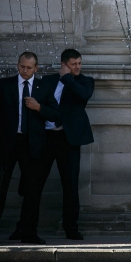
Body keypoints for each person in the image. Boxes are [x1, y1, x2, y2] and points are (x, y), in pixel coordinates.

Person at [0, 52, 60, 246]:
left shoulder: (43, 87)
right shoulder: (4, 86)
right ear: (17, 65)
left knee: (33, 190)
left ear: (36, 68)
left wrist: (39, 108)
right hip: (6, 144)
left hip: (32, 145)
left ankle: (29, 232)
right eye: (22, 67)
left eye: (29, 67)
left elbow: (56, 114)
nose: (25, 71)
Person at [39, 49, 94, 241]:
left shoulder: (84, 81)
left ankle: (71, 227)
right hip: (46, 138)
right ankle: (25, 227)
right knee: (35, 182)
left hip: (69, 140)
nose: (78, 67)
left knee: (70, 185)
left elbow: (83, 96)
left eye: (79, 63)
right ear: (63, 64)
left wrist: (67, 78)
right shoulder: (47, 81)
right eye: (73, 64)